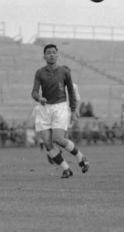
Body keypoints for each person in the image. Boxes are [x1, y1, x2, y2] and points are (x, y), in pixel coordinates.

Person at [31, 44, 88, 178]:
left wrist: (73, 110)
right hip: (44, 108)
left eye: (53, 52)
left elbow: (72, 94)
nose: (51, 54)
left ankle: (81, 157)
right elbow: (34, 92)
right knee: (47, 143)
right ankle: (66, 168)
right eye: (48, 53)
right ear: (44, 56)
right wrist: (39, 98)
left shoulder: (64, 72)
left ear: (57, 55)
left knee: (58, 139)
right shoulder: (40, 72)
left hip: (60, 107)